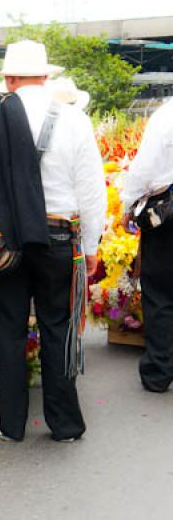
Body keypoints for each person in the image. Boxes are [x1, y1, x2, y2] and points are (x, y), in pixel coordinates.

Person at [0, 40, 107, 442]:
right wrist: (94, 244)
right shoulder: (74, 119)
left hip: (9, 237)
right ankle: (64, 423)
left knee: (10, 327)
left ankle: (11, 424)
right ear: (46, 77)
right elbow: (91, 188)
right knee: (57, 326)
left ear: (9, 79)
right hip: (60, 236)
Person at [121, 97, 173, 393]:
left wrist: (128, 203)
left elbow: (144, 168)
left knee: (161, 290)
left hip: (168, 209)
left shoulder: (166, 116)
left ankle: (159, 370)